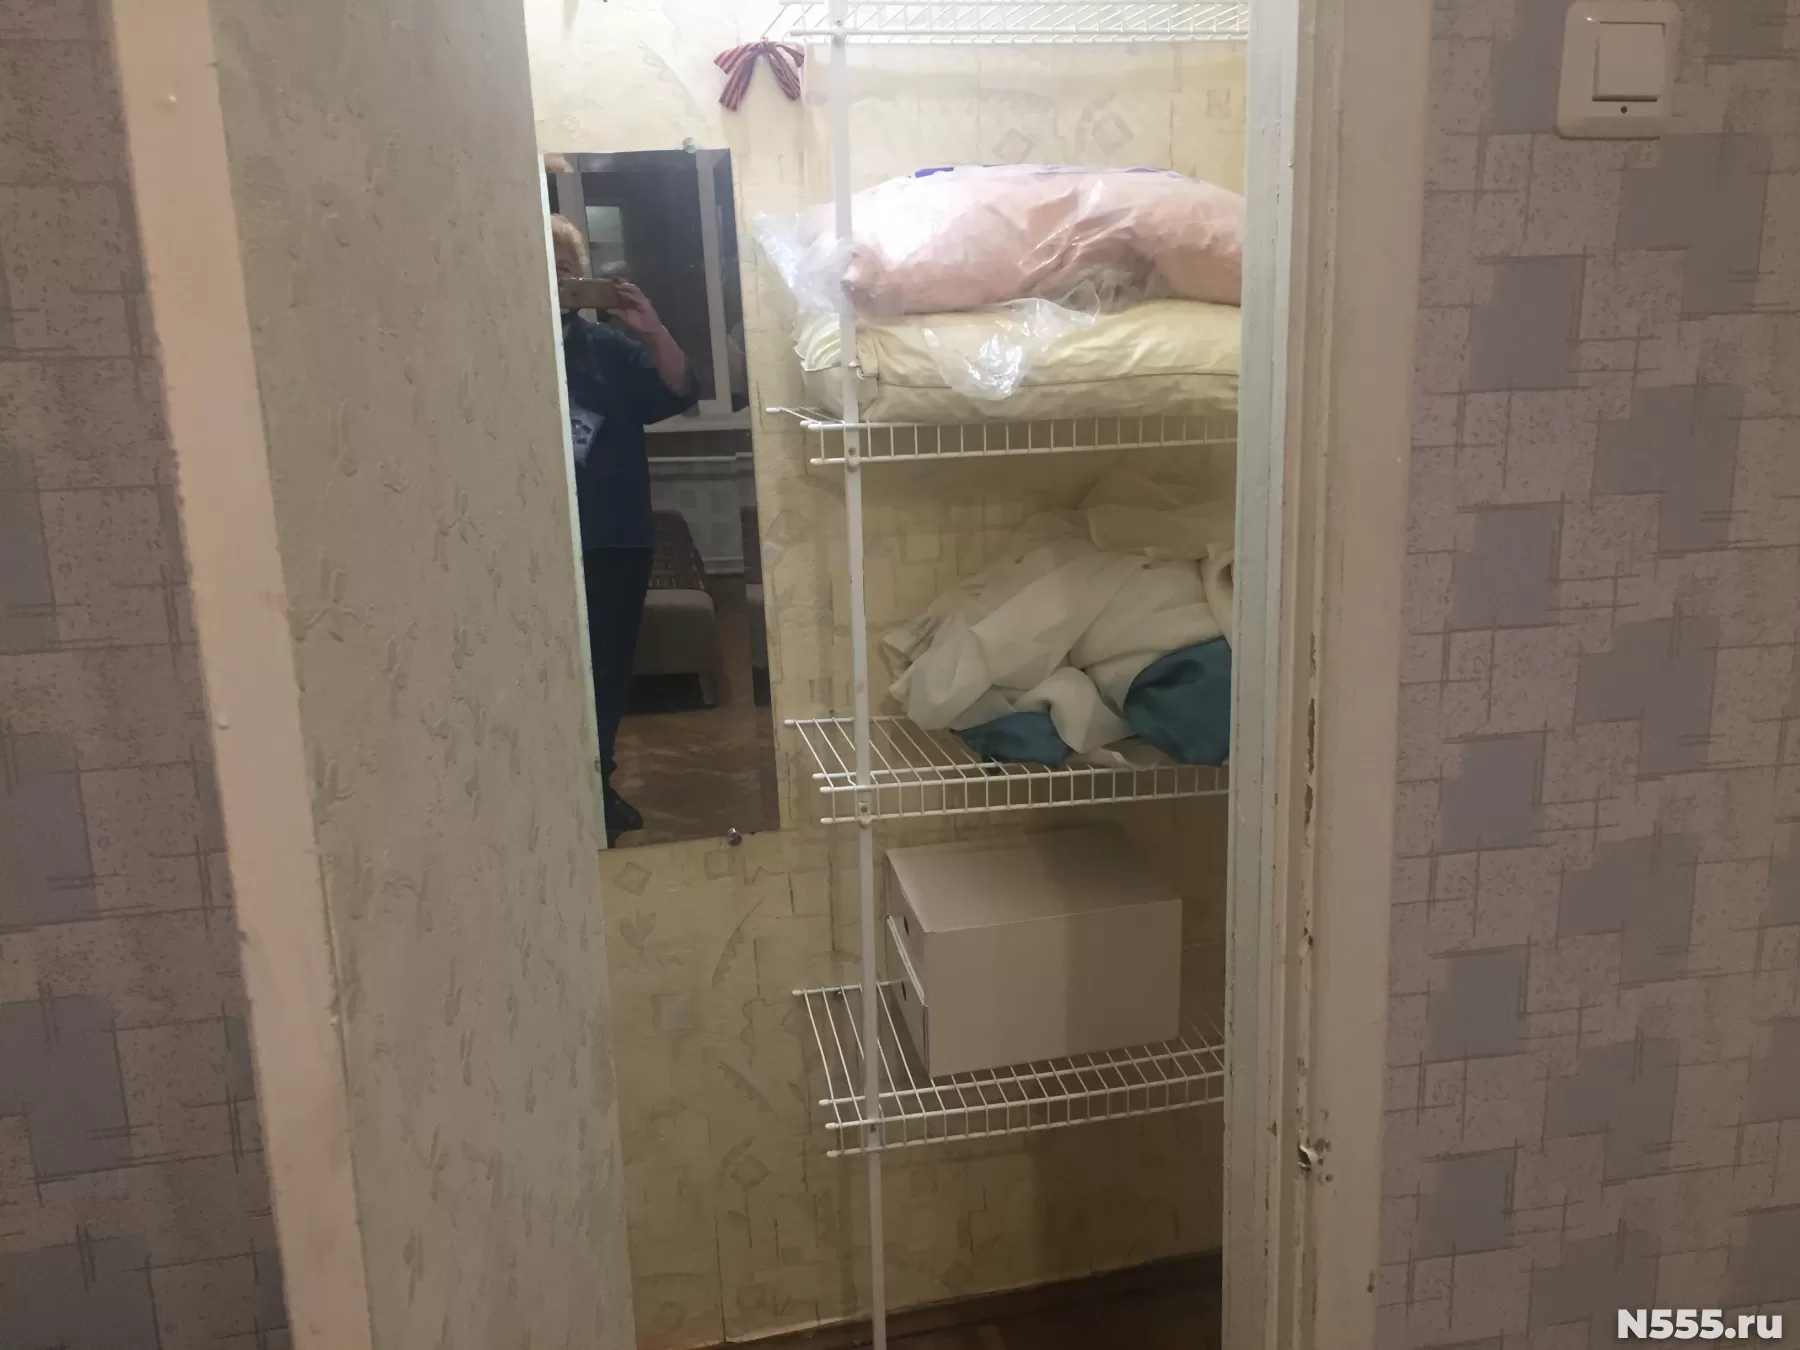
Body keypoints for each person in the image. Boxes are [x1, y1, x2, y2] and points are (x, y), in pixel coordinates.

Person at [550, 213, 699, 845]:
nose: (557, 281)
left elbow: (679, 389)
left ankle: (596, 784)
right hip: (532, 542)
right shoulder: (494, 349)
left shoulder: (608, 348)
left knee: (606, 672)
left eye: (565, 270)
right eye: (544, 269)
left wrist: (652, 328)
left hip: (613, 537)